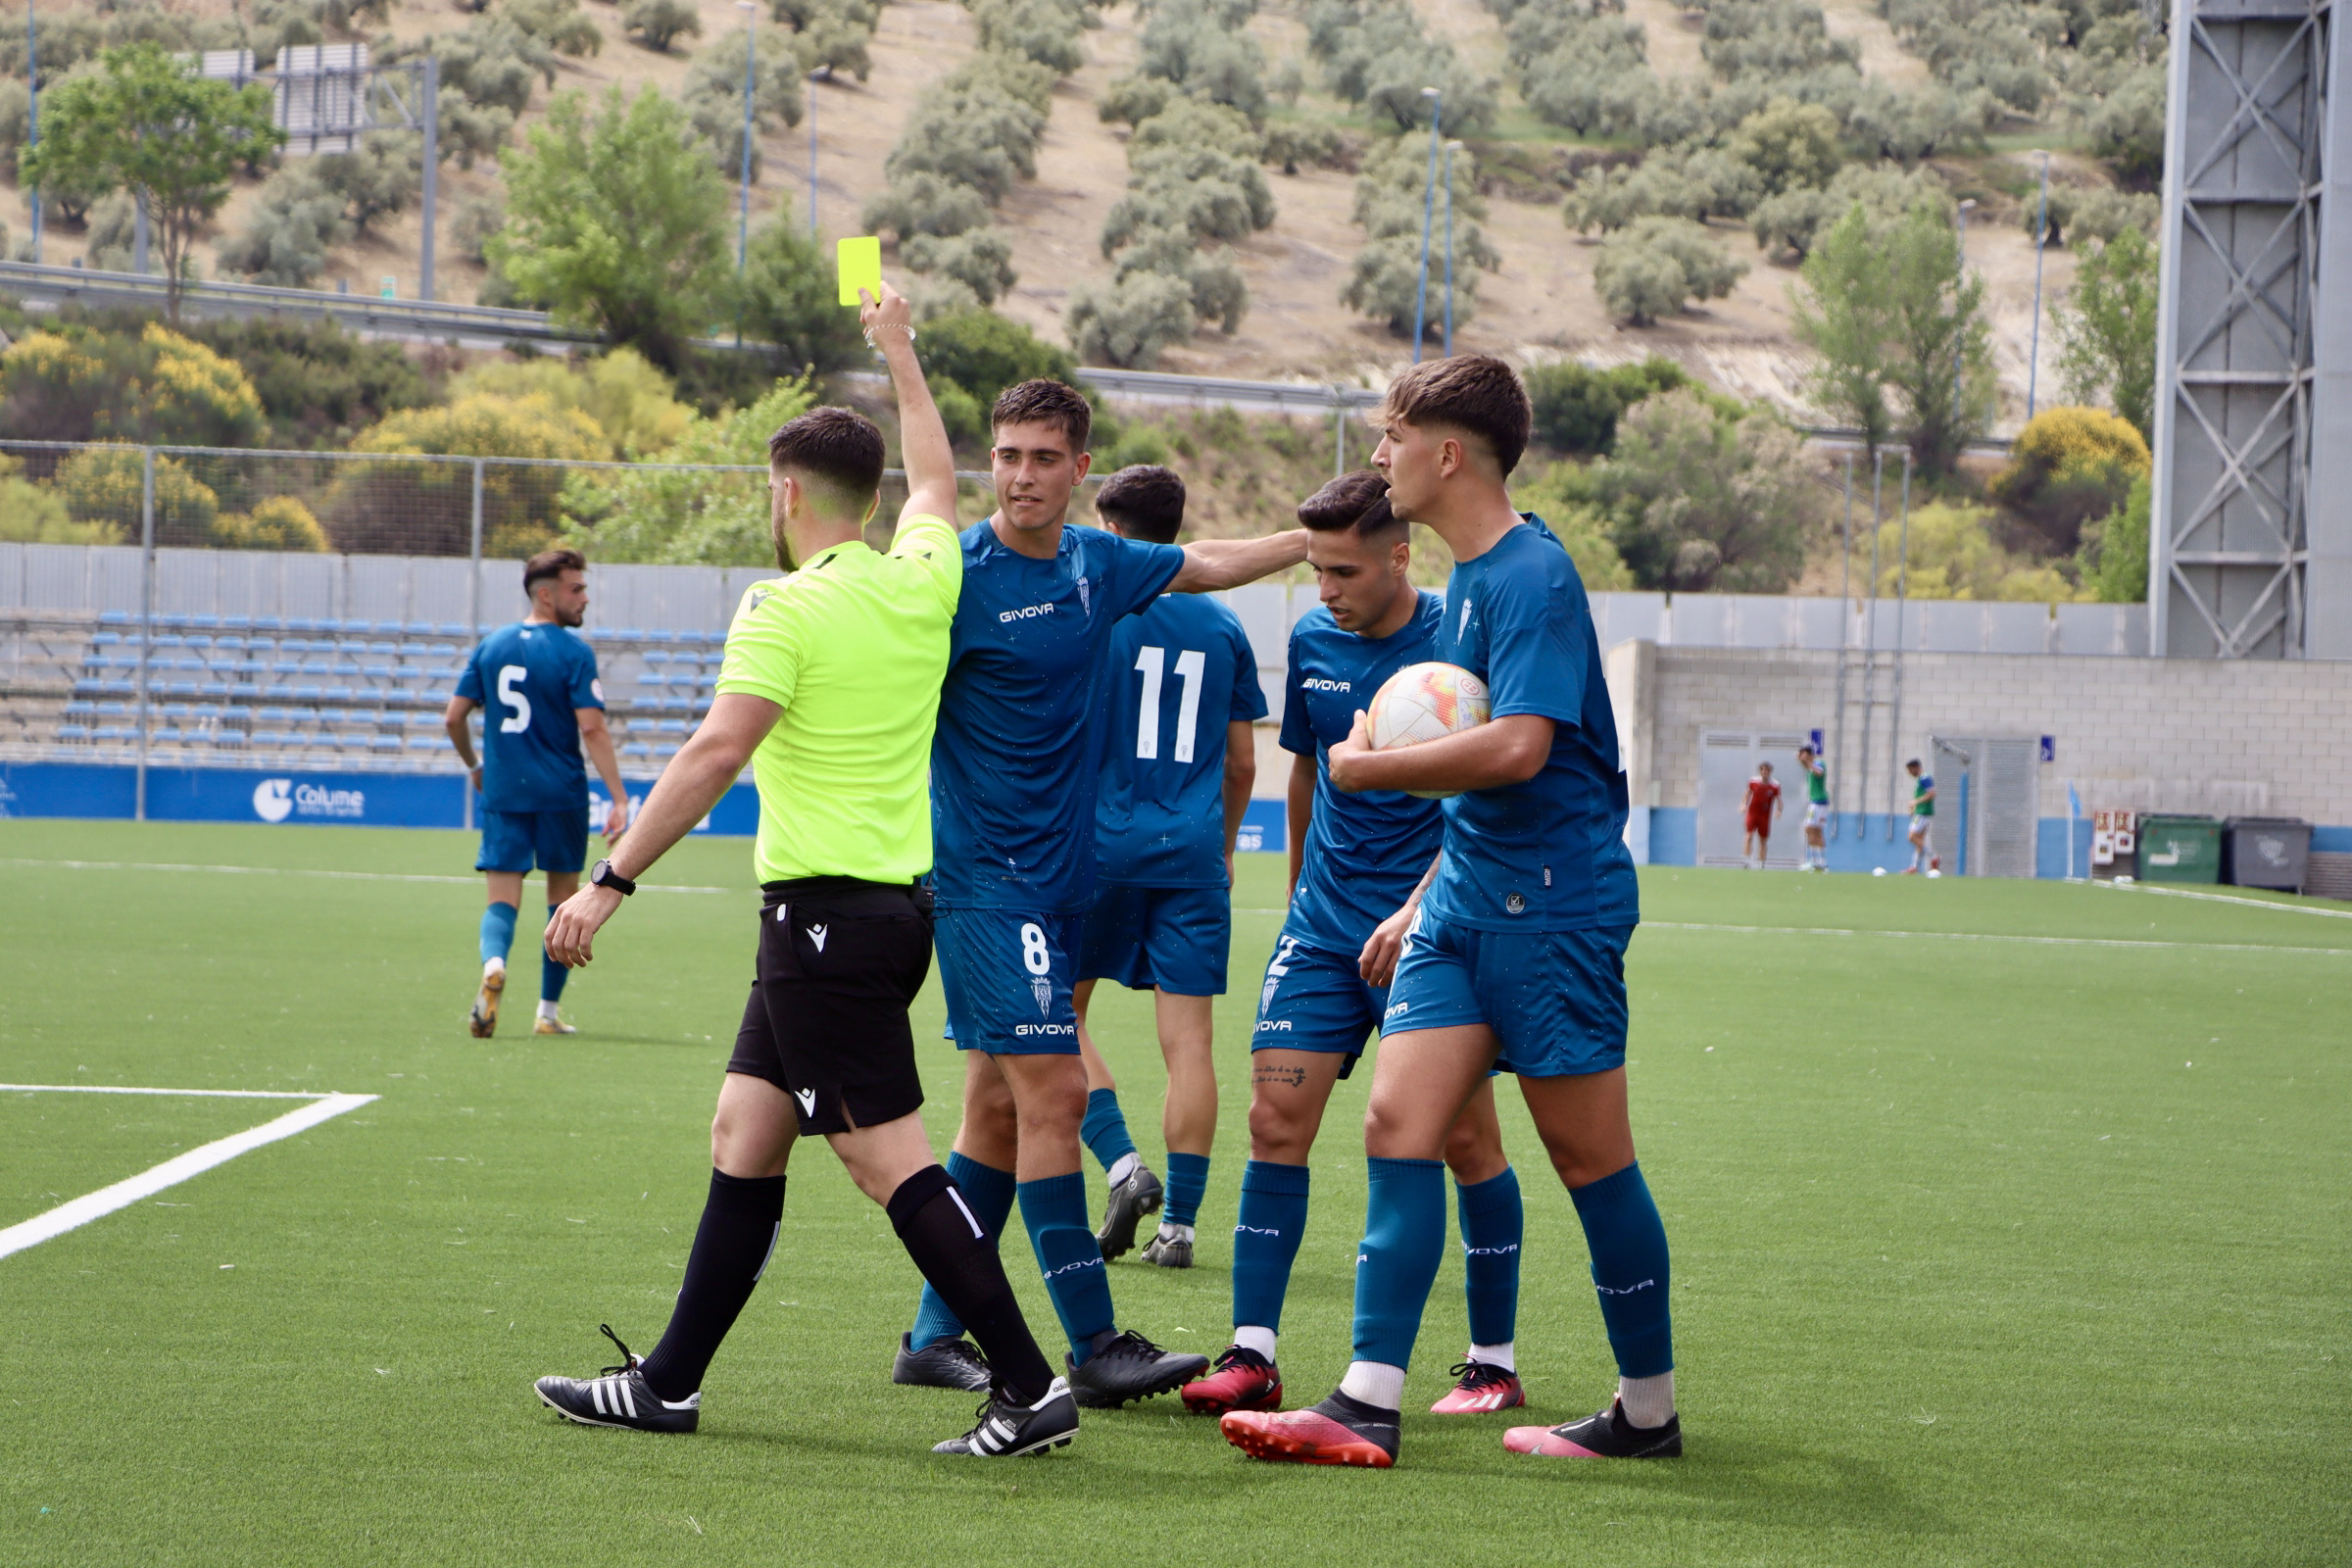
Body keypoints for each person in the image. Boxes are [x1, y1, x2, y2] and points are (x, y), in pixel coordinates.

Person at [529, 282, 1078, 1457]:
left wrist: (606, 880)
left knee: (889, 1164)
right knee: (746, 1126)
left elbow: (717, 749)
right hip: (873, 918)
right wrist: (899, 348)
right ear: (872, 500)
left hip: (828, 923)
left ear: (785, 494)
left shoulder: (780, 604)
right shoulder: (924, 572)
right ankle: (669, 1382)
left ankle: (1029, 1387)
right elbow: (938, 476)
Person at [1221, 355, 1680, 1470]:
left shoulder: (1529, 577)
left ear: (1447, 453)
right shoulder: (1475, 578)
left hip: (1554, 913)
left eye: (1392, 433)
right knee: (1395, 1124)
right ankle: (1364, 1400)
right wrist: (1426, 890)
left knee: (1589, 1159)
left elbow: (1520, 746)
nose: (1380, 454)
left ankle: (1647, 1414)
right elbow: (1479, 763)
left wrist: (1371, 771)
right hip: (1463, 900)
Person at [892, 376, 1310, 1411]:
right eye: (1008, 454)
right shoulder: (959, 570)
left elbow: (1207, 561)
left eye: (1043, 458)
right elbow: (919, 486)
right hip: (989, 882)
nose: (1021, 475)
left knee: (994, 1110)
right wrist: (897, 351)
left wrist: (1310, 538)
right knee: (1056, 1095)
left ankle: (930, 1336)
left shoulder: (1099, 561)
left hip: (1067, 878)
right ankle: (1093, 1342)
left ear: (1083, 472)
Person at [1179, 470, 1529, 1423]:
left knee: (1463, 1139)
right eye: (1317, 568)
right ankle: (1253, 1353)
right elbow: (1306, 774)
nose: (1325, 587)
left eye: (1343, 569)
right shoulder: (1311, 638)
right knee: (1273, 1123)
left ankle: (1491, 1361)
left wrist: (1420, 906)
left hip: (1435, 930)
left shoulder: (1460, 637)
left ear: (1399, 556)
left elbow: (1491, 802)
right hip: (1324, 927)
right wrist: (1300, 896)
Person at [1069, 465, 1266, 1271]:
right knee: (1190, 1046)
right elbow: (1244, 763)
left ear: (1110, 532)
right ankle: (1180, 1228)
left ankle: (1121, 1162)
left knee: (1053, 1019)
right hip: (1188, 855)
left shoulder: (1094, 611)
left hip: (1096, 846)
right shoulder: (1223, 626)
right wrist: (1218, 847)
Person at [444, 548, 629, 1039]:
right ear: (546, 595)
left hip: (505, 791)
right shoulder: (573, 652)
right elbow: (592, 730)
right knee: (563, 900)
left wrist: (475, 766)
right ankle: (546, 1013)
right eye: (576, 588)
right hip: (561, 794)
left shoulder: (492, 646)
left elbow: (453, 717)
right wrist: (619, 797)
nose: (584, 597)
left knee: (501, 898)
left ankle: (494, 964)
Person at [1741, 760, 1783, 869]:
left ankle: (1761, 863)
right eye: (1763, 770)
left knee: (1763, 840)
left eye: (1767, 771)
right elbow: (1747, 793)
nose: (1765, 772)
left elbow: (1779, 800)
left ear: (1770, 772)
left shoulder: (1774, 785)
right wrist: (1744, 804)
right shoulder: (1753, 782)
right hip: (1753, 813)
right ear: (1760, 771)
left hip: (1764, 815)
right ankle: (1747, 861)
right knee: (1749, 836)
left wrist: (1779, 810)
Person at [1903, 758, 1937, 874]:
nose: (1909, 773)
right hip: (1923, 812)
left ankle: (1933, 856)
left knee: (1912, 837)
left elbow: (1932, 793)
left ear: (1915, 768)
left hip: (1923, 813)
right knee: (1919, 841)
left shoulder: (1925, 778)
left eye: (1910, 770)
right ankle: (1914, 866)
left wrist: (1916, 802)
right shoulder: (1921, 779)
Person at [1796, 744, 1829, 871]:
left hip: (1818, 802)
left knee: (1809, 828)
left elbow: (1819, 772)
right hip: (1817, 802)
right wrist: (1802, 761)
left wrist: (1806, 761)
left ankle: (1816, 860)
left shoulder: (1819, 763)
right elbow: (1807, 767)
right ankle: (1820, 862)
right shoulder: (1810, 766)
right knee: (1816, 830)